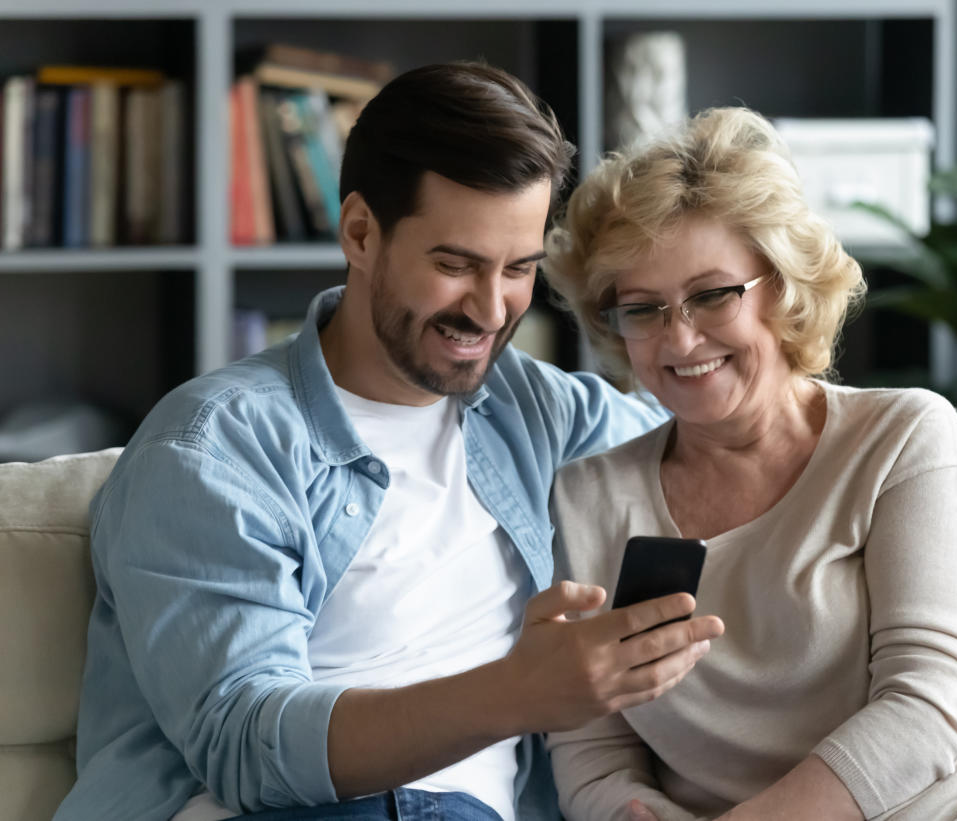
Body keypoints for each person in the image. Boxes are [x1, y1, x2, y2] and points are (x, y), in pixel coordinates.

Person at [52, 62, 725, 821]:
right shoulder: (216, 445)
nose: (490, 308)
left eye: (518, 270)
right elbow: (246, 744)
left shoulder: (536, 409)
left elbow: (723, 439)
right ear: (361, 232)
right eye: (454, 264)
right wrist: (514, 693)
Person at [540, 107, 957, 821]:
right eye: (643, 309)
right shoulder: (586, 501)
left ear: (782, 284)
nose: (681, 335)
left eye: (711, 294)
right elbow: (591, 752)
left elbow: (928, 702)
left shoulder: (901, 437)